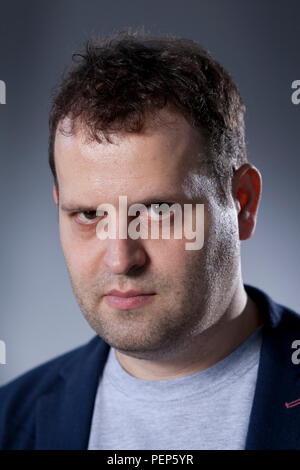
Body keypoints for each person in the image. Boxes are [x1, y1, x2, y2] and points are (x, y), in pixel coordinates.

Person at [1, 30, 300, 451]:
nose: (120, 259)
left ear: (242, 203)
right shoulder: (9, 421)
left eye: (159, 211)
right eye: (89, 214)